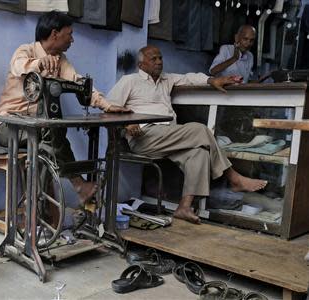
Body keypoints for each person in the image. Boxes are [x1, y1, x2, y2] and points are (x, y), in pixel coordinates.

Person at [107, 45, 267, 224]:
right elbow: (110, 108)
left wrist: (212, 81)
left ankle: (184, 207)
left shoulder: (166, 79)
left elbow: (190, 78)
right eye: (154, 59)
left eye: (160, 58)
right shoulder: (130, 81)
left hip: (168, 137)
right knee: (200, 130)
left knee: (199, 154)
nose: (159, 62)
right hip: (145, 136)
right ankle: (234, 178)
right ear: (141, 64)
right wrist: (127, 124)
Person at [0, 11, 131, 205]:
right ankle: (73, 188)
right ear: (55, 33)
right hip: (8, 126)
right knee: (51, 137)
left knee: (51, 139)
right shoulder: (26, 50)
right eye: (70, 34)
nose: (72, 40)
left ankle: (42, 206)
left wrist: (106, 105)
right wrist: (39, 64)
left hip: (36, 127)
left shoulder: (61, 60)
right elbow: (18, 66)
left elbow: (78, 82)